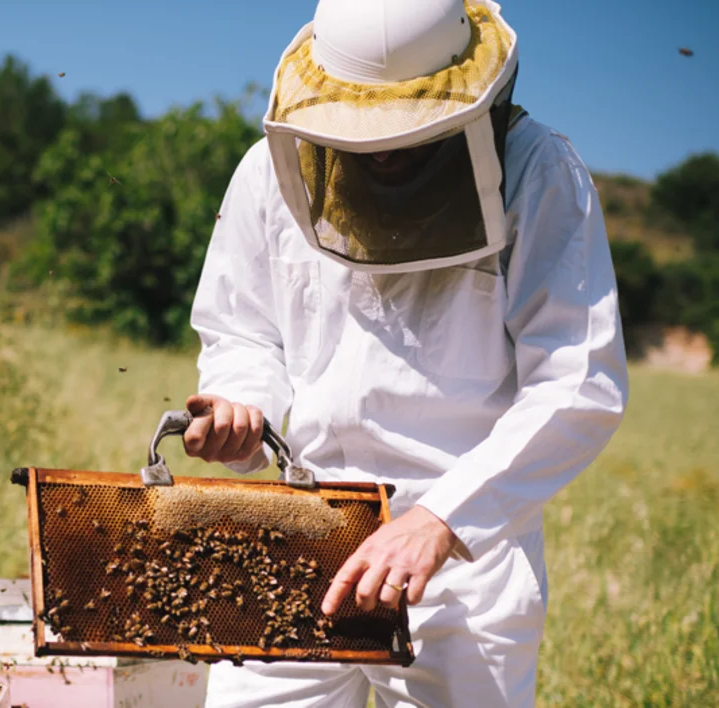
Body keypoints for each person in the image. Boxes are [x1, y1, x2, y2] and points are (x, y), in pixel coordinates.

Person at [183, 0, 628, 706]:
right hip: (297, 537)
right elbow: (245, 331)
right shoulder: (271, 172)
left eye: (406, 127)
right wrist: (246, 405)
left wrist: (443, 518)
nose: (382, 150)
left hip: (459, 564)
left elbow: (576, 382)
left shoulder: (538, 172)